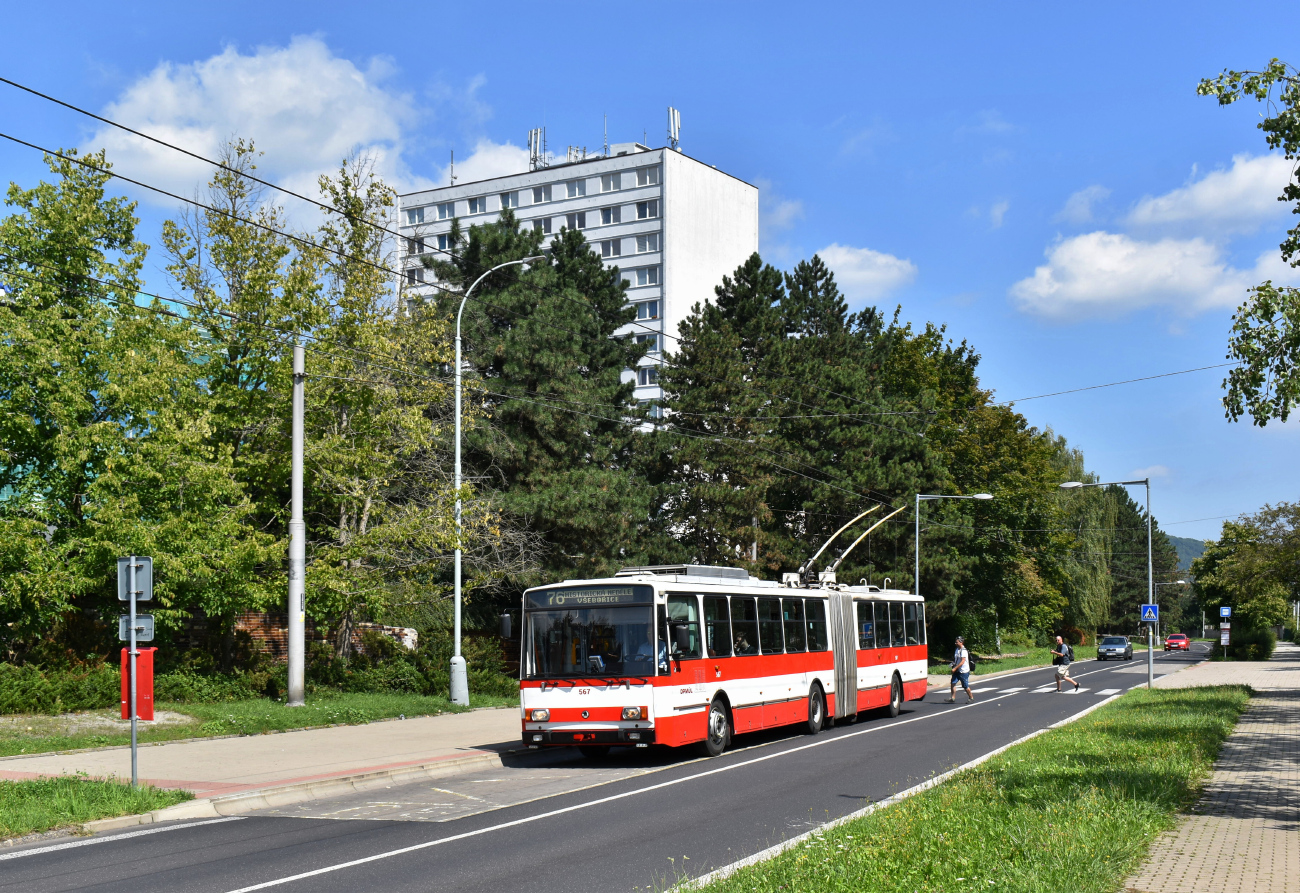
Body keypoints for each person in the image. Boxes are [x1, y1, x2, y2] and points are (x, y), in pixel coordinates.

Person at [947, 636, 974, 703]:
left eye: (957, 642)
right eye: (955, 642)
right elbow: (956, 660)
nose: (955, 643)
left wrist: (955, 668)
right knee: (953, 683)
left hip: (963, 671)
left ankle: (971, 697)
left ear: (961, 642)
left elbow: (962, 661)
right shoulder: (957, 649)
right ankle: (952, 698)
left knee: (965, 686)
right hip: (957, 670)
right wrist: (953, 665)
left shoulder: (964, 651)